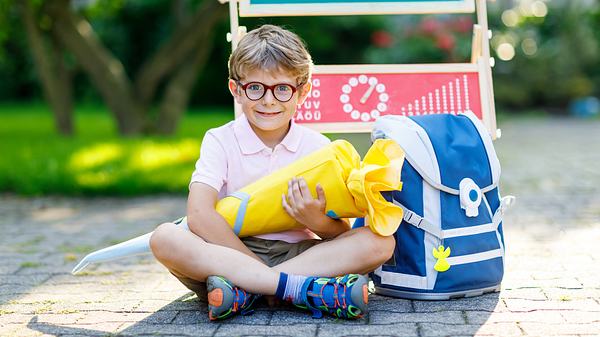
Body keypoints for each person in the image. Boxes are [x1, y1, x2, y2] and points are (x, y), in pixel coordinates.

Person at [149, 24, 395, 321]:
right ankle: (304, 292)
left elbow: (339, 233)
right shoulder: (220, 139)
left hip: (299, 257)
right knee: (164, 238)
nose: (268, 101)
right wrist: (251, 265)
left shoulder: (318, 147)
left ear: (302, 92)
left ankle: (243, 293)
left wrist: (315, 220)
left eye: (282, 89)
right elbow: (200, 214)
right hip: (227, 252)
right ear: (236, 90)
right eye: (255, 88)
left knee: (381, 242)